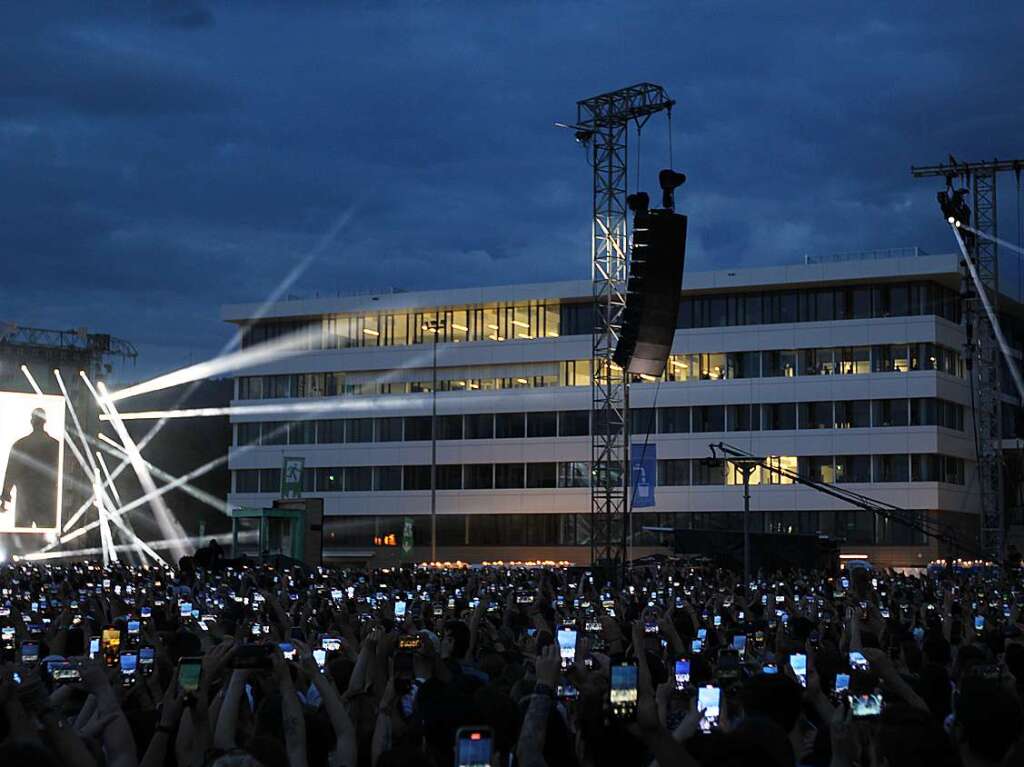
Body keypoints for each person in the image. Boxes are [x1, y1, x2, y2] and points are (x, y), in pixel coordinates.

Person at [1, 407, 59, 530]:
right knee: (47, 539)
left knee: (22, 540)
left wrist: (5, 496)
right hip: (47, 500)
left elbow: (11, 473)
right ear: (44, 422)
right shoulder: (55, 445)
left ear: (32, 421)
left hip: (25, 499)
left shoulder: (20, 444)